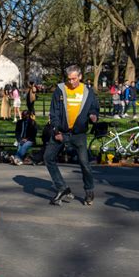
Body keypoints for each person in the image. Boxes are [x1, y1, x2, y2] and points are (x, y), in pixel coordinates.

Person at [44, 65, 99, 206]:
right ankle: (62, 188)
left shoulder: (88, 91)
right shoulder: (60, 90)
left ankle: (89, 190)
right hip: (61, 131)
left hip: (78, 134)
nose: (71, 82)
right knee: (48, 157)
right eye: (69, 79)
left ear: (80, 77)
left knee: (84, 163)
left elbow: (94, 107)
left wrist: (93, 115)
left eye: (74, 79)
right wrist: (56, 131)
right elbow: (54, 112)